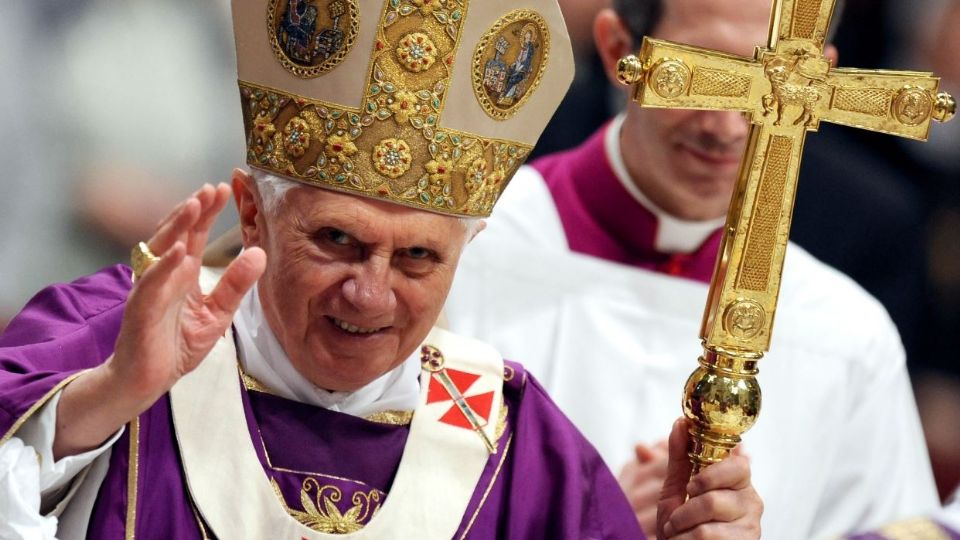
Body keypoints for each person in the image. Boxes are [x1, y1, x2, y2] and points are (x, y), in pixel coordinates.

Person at [0, 0, 764, 538]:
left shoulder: (520, 444)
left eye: (418, 258)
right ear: (254, 212)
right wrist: (103, 402)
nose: (369, 294)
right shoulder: (109, 334)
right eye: (337, 240)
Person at [444, 0, 939, 538]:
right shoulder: (459, 254)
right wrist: (585, 520)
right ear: (616, 50)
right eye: (707, 73)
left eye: (770, 80)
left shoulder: (847, 333)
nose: (725, 127)